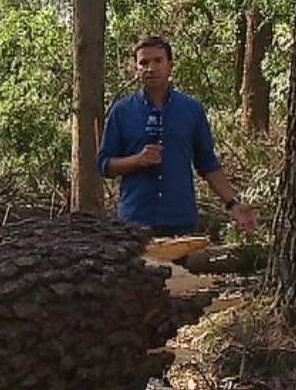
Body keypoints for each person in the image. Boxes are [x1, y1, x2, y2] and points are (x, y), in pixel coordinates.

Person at [97, 35, 258, 238]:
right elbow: (104, 164)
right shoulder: (122, 111)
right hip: (135, 220)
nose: (151, 68)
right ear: (136, 69)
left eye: (158, 61)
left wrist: (233, 203)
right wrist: (137, 160)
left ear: (170, 65)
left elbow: (207, 164)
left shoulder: (191, 110)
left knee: (178, 272)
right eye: (144, 63)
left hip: (179, 221)